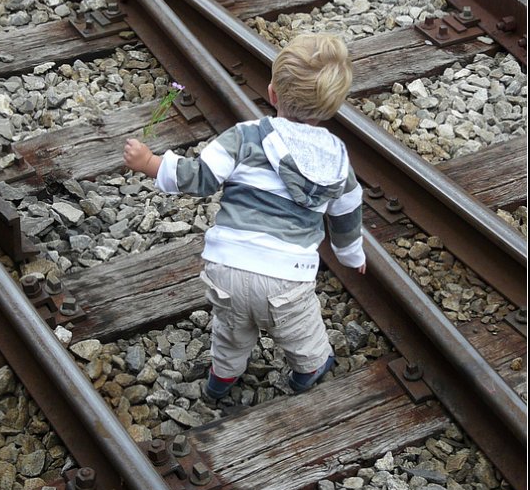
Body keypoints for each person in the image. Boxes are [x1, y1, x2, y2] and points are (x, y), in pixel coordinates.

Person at [123, 33, 366, 401]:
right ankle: (308, 370)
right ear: (332, 107)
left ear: (272, 94)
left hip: (229, 266)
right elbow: (347, 212)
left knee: (232, 328)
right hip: (288, 277)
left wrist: (151, 163)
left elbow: (201, 177)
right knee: (301, 330)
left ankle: (221, 378)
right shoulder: (337, 159)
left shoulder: (245, 137)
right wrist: (352, 256)